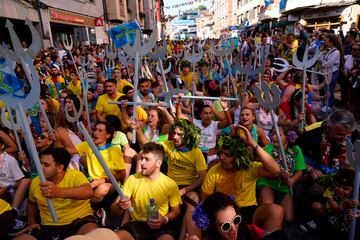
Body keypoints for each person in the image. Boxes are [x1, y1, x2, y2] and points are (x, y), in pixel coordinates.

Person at [201, 127, 283, 232]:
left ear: (239, 157)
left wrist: (254, 145)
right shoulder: (214, 171)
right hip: (226, 214)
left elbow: (276, 171)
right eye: (221, 153)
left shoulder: (250, 168)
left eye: (228, 155)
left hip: (249, 211)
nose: (221, 157)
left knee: (276, 211)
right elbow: (205, 199)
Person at [15, 148, 98, 240]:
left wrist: (58, 192)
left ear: (59, 168)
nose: (40, 168)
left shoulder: (75, 175)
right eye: (40, 163)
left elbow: (88, 192)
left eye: (45, 165)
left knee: (92, 236)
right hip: (48, 226)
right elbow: (31, 204)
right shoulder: (36, 182)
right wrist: (31, 222)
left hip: (79, 221)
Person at [111, 142, 182, 240]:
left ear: (158, 163)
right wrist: (120, 205)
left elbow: (176, 211)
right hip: (136, 224)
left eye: (147, 159)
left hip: (160, 226)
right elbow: (113, 211)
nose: (142, 163)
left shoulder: (170, 184)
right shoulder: (132, 179)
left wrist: (164, 219)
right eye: (141, 158)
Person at [67, 121, 126, 205]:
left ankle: (84, 207)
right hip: (92, 181)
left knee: (101, 189)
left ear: (107, 135)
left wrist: (101, 181)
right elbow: (68, 151)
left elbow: (122, 175)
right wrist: (57, 139)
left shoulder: (115, 150)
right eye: (95, 130)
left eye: (100, 130)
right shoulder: (88, 145)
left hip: (110, 183)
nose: (95, 133)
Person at [189, 192, 289, 240]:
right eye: (226, 226)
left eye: (236, 220)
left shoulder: (250, 231)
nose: (233, 228)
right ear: (214, 227)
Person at [257, 128, 306, 222]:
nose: (274, 137)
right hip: (267, 182)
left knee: (289, 218)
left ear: (287, 138)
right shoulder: (268, 149)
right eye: (272, 134)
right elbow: (266, 170)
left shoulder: (296, 150)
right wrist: (279, 174)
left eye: (278, 135)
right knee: (269, 208)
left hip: (284, 186)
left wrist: (292, 180)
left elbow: (299, 171)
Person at [296, 109, 358, 179]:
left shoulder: (353, 132)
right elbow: (294, 152)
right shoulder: (312, 132)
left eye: (348, 135)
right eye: (340, 134)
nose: (345, 138)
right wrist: (309, 168)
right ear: (328, 128)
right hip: (315, 161)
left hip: (339, 162)